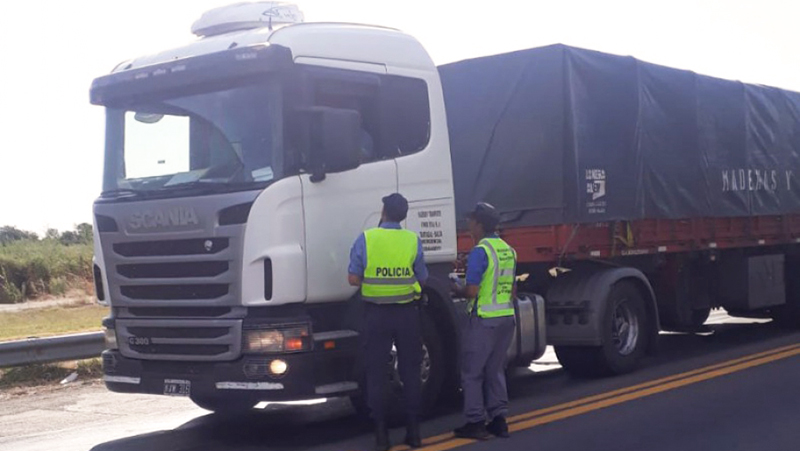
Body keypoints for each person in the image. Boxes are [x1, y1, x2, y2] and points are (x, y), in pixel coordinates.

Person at [348, 193, 428, 451]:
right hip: (407, 314)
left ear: (383, 212)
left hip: (376, 315)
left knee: (377, 373)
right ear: (403, 215)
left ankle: (381, 435)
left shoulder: (367, 239)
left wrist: (374, 282)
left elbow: (353, 278)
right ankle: (414, 432)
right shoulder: (412, 240)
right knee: (410, 371)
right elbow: (422, 278)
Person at [452, 202, 517, 440]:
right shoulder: (508, 250)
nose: (469, 224)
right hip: (506, 318)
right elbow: (512, 291)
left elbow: (471, 291)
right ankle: (499, 421)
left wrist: (455, 288)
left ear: (479, 224)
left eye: (471, 221)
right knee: (495, 369)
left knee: (472, 372)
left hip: (484, 320)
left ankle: (475, 421)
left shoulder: (480, 251)